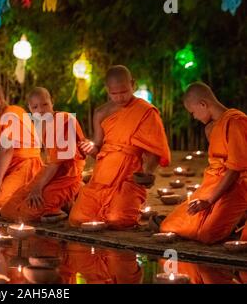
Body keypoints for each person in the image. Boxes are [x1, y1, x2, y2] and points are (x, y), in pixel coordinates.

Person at [69, 65, 171, 229]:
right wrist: (89, 148)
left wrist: (148, 172)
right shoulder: (101, 113)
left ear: (133, 84)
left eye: (124, 92)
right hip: (103, 175)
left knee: (118, 219)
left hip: (129, 176)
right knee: (78, 218)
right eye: (114, 93)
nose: (120, 98)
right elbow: (98, 148)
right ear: (107, 90)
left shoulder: (145, 111)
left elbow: (154, 149)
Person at [160, 82, 247, 244]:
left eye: (193, 112)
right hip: (214, 184)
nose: (194, 117)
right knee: (168, 226)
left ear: (203, 104)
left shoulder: (236, 122)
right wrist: (206, 197)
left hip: (237, 185)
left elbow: (235, 170)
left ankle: (240, 217)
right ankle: (225, 217)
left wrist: (209, 201)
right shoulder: (211, 128)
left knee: (208, 236)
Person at [1, 87, 86, 222]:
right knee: (7, 210)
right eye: (35, 107)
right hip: (49, 172)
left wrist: (38, 188)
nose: (40, 110)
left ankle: (68, 200)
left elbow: (57, 162)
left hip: (67, 177)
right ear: (29, 108)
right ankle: (62, 204)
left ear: (52, 102)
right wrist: (36, 187)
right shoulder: (41, 125)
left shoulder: (64, 120)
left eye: (45, 104)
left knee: (27, 213)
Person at [0, 83, 42, 208]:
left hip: (26, 164)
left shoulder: (11, 114)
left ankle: (27, 195)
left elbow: (8, 150)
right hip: (11, 163)